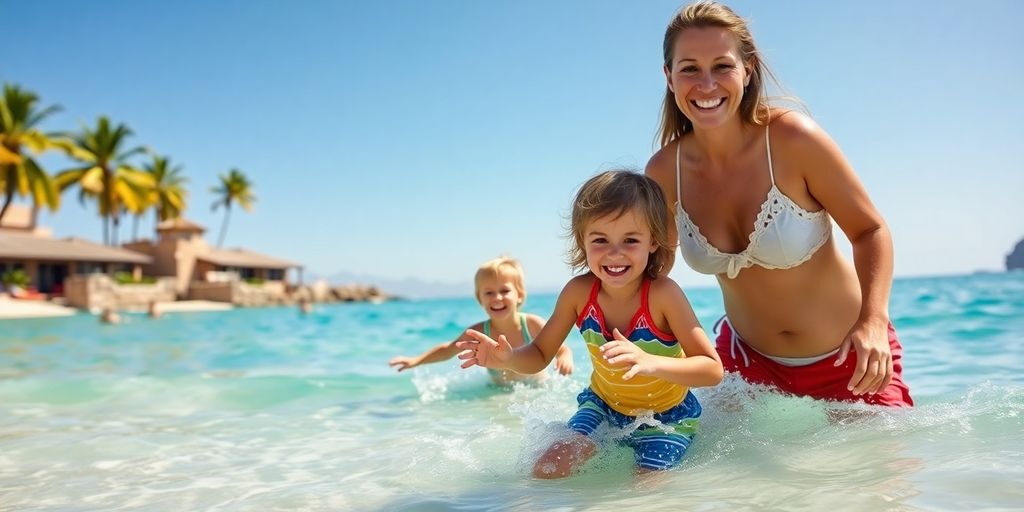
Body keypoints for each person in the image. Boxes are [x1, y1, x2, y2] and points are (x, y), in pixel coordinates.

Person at [644, 1, 912, 406]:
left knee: (876, 471)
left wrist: (874, 321)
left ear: (747, 69)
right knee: (700, 469)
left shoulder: (792, 140)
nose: (707, 84)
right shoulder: (665, 171)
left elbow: (869, 230)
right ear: (669, 77)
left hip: (850, 358)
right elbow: (649, 272)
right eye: (689, 69)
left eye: (722, 66)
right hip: (743, 364)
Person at [457, 171, 723, 478]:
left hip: (666, 416)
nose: (614, 252)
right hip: (604, 408)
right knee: (547, 469)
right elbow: (541, 354)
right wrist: (510, 358)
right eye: (600, 240)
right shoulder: (579, 293)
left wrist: (650, 362)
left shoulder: (664, 295)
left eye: (630, 240)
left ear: (652, 241)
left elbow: (712, 370)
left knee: (647, 489)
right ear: (582, 242)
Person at [389, 257, 574, 387]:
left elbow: (562, 349)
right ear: (480, 299)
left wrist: (565, 358)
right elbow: (448, 350)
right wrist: (416, 360)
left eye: (504, 291)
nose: (497, 298)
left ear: (520, 295)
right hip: (498, 391)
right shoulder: (479, 332)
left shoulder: (532, 324)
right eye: (489, 293)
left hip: (536, 388)